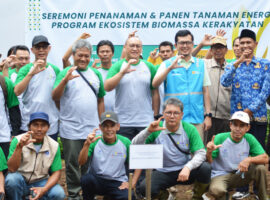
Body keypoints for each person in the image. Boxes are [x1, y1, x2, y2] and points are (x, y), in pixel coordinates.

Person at [52, 39, 105, 200]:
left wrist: (101, 123)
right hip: (71, 129)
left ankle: (88, 194)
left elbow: (100, 99)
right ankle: (75, 195)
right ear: (74, 55)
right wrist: (64, 81)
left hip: (92, 128)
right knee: (73, 165)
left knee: (90, 164)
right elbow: (55, 96)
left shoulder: (95, 74)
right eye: (80, 55)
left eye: (87, 56)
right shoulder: (65, 72)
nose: (83, 59)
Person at [221, 29, 270, 200]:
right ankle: (241, 188)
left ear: (255, 44)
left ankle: (257, 190)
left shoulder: (265, 64)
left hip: (258, 117)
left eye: (249, 43)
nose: (245, 46)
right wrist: (238, 62)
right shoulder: (232, 64)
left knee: (258, 154)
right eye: (242, 43)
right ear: (238, 46)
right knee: (240, 153)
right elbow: (224, 82)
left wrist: (248, 112)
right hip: (238, 120)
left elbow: (265, 92)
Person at [132, 98, 211, 199]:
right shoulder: (156, 128)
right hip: (163, 171)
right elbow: (135, 145)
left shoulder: (189, 129)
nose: (172, 116)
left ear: (182, 115)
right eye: (168, 113)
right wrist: (148, 131)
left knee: (205, 168)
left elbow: (201, 153)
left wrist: (188, 167)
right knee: (145, 188)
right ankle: (165, 196)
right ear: (163, 114)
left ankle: (196, 196)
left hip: (184, 170)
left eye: (176, 113)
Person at [152, 30, 212, 140]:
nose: (185, 46)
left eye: (188, 43)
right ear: (176, 45)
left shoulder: (200, 64)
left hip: (196, 119)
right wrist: (169, 68)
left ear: (192, 44)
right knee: (174, 154)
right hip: (173, 119)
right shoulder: (167, 64)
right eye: (181, 43)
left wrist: (208, 115)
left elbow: (205, 90)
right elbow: (155, 84)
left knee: (197, 152)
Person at [104, 36, 159, 140]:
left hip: (146, 121)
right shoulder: (118, 66)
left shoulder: (149, 66)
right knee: (126, 154)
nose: (135, 49)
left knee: (145, 154)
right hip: (123, 122)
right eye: (132, 46)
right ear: (125, 47)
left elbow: (155, 92)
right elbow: (107, 87)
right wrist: (122, 73)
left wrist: (155, 115)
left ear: (141, 49)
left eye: (138, 46)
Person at [206, 111, 268, 200]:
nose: (238, 128)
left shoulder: (249, 138)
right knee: (217, 190)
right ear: (230, 125)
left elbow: (265, 158)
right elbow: (210, 161)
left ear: (248, 128)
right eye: (235, 125)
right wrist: (209, 152)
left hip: (240, 174)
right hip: (220, 175)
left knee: (260, 168)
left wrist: (249, 160)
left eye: (242, 125)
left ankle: (263, 197)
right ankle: (225, 196)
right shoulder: (220, 138)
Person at [5, 112, 65, 200]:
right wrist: (19, 147)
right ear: (29, 127)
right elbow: (11, 169)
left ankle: (36, 196)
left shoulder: (54, 145)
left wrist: (44, 189)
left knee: (58, 193)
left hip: (41, 182)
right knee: (12, 179)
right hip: (21, 181)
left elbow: (56, 172)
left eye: (43, 125)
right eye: (35, 125)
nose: (39, 129)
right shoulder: (18, 140)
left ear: (48, 128)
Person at [79, 111, 135, 200]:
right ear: (100, 127)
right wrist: (86, 144)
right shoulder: (95, 141)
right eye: (105, 126)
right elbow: (81, 162)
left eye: (112, 125)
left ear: (118, 126)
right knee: (86, 179)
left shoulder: (125, 142)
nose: (109, 129)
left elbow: (137, 163)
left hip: (117, 181)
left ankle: (109, 197)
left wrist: (132, 183)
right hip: (98, 180)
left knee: (128, 197)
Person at [14, 35, 60, 141]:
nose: (41, 50)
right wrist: (31, 74)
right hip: (29, 123)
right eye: (38, 47)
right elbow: (17, 91)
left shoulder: (55, 70)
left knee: (49, 156)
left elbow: (59, 95)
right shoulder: (25, 69)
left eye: (44, 47)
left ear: (49, 49)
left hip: (50, 124)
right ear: (32, 50)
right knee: (27, 156)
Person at [204, 36, 231, 143]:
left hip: (226, 117)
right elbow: (187, 58)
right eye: (215, 48)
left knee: (223, 149)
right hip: (207, 117)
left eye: (221, 47)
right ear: (210, 50)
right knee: (206, 149)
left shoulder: (231, 68)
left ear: (226, 50)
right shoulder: (204, 65)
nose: (218, 50)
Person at [0, 74, 20, 158]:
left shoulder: (4, 82)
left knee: (4, 169)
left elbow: (14, 109)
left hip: (2, 136)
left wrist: (14, 133)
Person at [96, 40, 116, 111]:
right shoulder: (95, 73)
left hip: (119, 115)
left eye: (107, 51)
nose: (105, 54)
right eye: (102, 52)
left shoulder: (118, 71)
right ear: (98, 54)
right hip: (100, 114)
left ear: (112, 53)